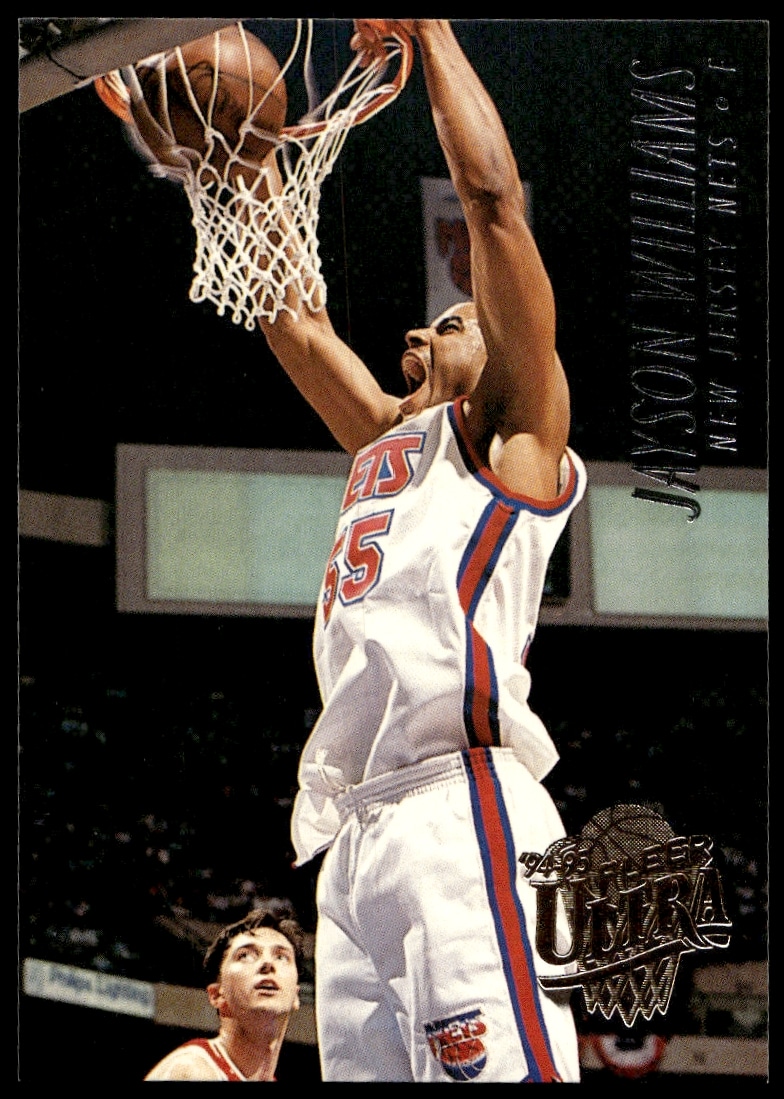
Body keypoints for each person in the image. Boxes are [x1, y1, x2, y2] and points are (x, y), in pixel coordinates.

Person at [259, 18, 586, 1083]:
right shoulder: (385, 444)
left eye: (452, 322)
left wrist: (427, 29)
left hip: (461, 806)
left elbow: (491, 204)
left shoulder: (512, 441)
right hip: (354, 840)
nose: (417, 335)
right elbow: (288, 315)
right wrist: (220, 160)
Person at [143, 905, 303, 1081]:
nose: (268, 963)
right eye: (245, 955)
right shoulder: (191, 1070)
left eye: (281, 956)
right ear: (217, 995)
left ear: (296, 995)